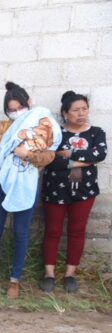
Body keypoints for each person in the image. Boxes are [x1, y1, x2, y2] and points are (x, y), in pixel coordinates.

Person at [0, 83, 57, 299]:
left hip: (26, 184)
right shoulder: (4, 125)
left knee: (21, 232)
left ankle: (14, 280)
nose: (16, 112)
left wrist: (29, 155)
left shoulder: (42, 127)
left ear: (29, 104)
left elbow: (49, 156)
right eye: (11, 110)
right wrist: (11, 133)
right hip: (1, 182)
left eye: (20, 108)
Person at [40, 91, 107, 294]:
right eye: (76, 110)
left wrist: (68, 155)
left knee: (77, 231)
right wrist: (83, 160)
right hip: (55, 190)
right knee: (52, 231)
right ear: (65, 113)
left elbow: (99, 154)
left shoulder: (96, 132)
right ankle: (49, 274)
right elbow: (50, 159)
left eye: (84, 109)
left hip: (84, 191)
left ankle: (70, 274)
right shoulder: (55, 133)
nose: (81, 113)